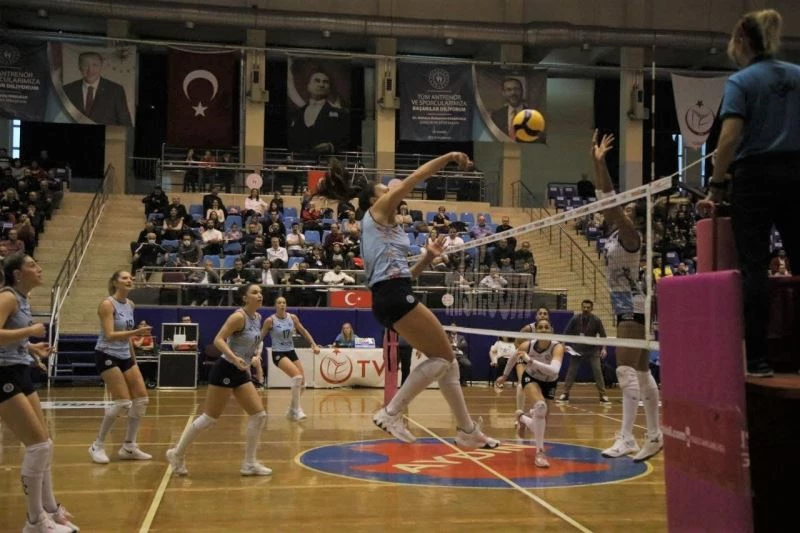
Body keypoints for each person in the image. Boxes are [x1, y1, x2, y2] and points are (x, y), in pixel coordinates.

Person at [316, 152, 498, 449]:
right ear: (374, 200)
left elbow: (405, 275)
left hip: (392, 293)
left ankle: (467, 431)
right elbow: (414, 178)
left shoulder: (387, 228)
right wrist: (450, 156)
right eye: (384, 189)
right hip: (392, 294)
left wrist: (427, 258)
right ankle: (392, 412)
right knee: (443, 358)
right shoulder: (377, 211)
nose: (390, 190)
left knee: (448, 362)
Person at [699, 9, 799, 377]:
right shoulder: (797, 75)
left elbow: (729, 138)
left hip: (755, 178)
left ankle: (757, 359)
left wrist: (716, 186)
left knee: (754, 268)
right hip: (797, 174)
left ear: (741, 42)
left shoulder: (741, 81)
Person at [591, 130, 662, 462]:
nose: (626, 210)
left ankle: (627, 438)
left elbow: (608, 202)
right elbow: (605, 202)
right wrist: (596, 163)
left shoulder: (631, 237)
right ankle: (655, 434)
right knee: (643, 373)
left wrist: (601, 164)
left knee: (624, 371)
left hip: (631, 306)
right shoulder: (615, 236)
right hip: (630, 305)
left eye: (631, 208)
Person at [0, 253, 79, 532]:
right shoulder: (7, 297)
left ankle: (50, 509)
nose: (39, 269)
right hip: (4, 374)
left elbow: (11, 338)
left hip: (19, 370)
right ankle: (34, 521)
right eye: (32, 265)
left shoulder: (23, 299)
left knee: (45, 443)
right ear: (17, 274)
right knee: (38, 446)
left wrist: (31, 348)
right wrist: (30, 331)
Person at [166, 284, 271, 477]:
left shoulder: (258, 318)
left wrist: (252, 358)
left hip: (241, 370)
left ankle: (249, 464)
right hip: (226, 368)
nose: (260, 295)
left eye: (260, 292)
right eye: (255, 292)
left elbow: (250, 343)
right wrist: (234, 358)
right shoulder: (238, 317)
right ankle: (177, 453)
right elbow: (219, 340)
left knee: (258, 415)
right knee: (209, 418)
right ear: (244, 298)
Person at [88, 271, 154, 465]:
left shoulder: (130, 304)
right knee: (123, 402)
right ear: (115, 282)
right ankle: (97, 445)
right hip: (107, 354)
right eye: (125, 278)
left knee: (141, 400)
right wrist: (137, 332)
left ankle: (129, 446)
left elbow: (127, 336)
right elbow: (110, 335)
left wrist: (134, 361)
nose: (129, 280)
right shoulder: (107, 304)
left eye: (131, 278)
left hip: (125, 355)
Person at [495, 319, 564, 468]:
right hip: (531, 378)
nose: (544, 329)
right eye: (540, 327)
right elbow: (513, 358)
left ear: (551, 330)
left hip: (550, 382)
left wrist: (531, 361)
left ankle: (521, 418)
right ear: (536, 331)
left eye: (546, 327)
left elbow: (554, 370)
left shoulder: (557, 347)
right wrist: (505, 376)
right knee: (540, 407)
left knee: (541, 423)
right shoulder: (527, 345)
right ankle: (540, 453)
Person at [261, 296, 320, 421]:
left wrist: (313, 344)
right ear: (275, 306)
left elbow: (303, 331)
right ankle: (297, 410)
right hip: (278, 353)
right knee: (297, 377)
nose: (282, 304)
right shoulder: (270, 320)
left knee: (303, 383)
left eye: (284, 302)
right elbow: (260, 337)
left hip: (290, 351)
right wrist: (253, 353)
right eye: (279, 303)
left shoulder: (292, 318)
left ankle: (291, 409)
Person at [557, 300, 610, 404]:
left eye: (588, 307)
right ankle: (565, 393)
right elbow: (566, 333)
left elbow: (603, 336)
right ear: (581, 308)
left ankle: (603, 395)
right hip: (577, 349)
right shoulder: (575, 319)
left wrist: (604, 348)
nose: (586, 309)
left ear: (592, 308)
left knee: (597, 371)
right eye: (584, 307)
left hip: (592, 350)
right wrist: (562, 345)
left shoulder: (596, 320)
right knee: (571, 371)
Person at [288, 67, 349, 153]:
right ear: (308, 86)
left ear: (329, 88)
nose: (321, 85)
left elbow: (346, 140)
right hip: (299, 160)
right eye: (317, 81)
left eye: (325, 82)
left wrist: (331, 147)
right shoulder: (296, 115)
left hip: (325, 160)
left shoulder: (341, 115)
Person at [62, 51, 132, 126]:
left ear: (101, 66)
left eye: (94, 65)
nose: (90, 70)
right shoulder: (67, 90)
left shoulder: (116, 90)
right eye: (85, 65)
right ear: (79, 67)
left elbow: (126, 124)